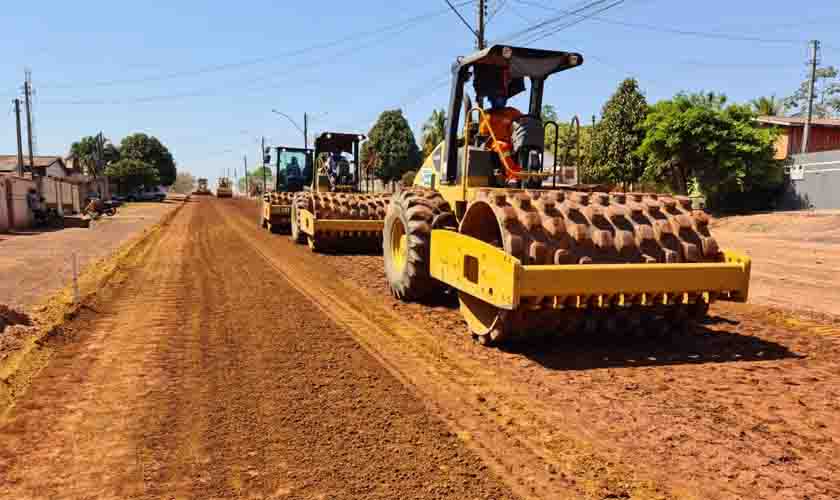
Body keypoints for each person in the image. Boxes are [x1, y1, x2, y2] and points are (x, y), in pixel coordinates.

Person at [479, 73, 524, 183]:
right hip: (493, 144)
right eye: (497, 97)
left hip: (511, 143)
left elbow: (523, 121)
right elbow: (483, 135)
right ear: (491, 99)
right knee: (502, 146)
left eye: (502, 97)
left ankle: (528, 174)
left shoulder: (512, 112)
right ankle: (512, 175)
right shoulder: (486, 114)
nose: (500, 100)